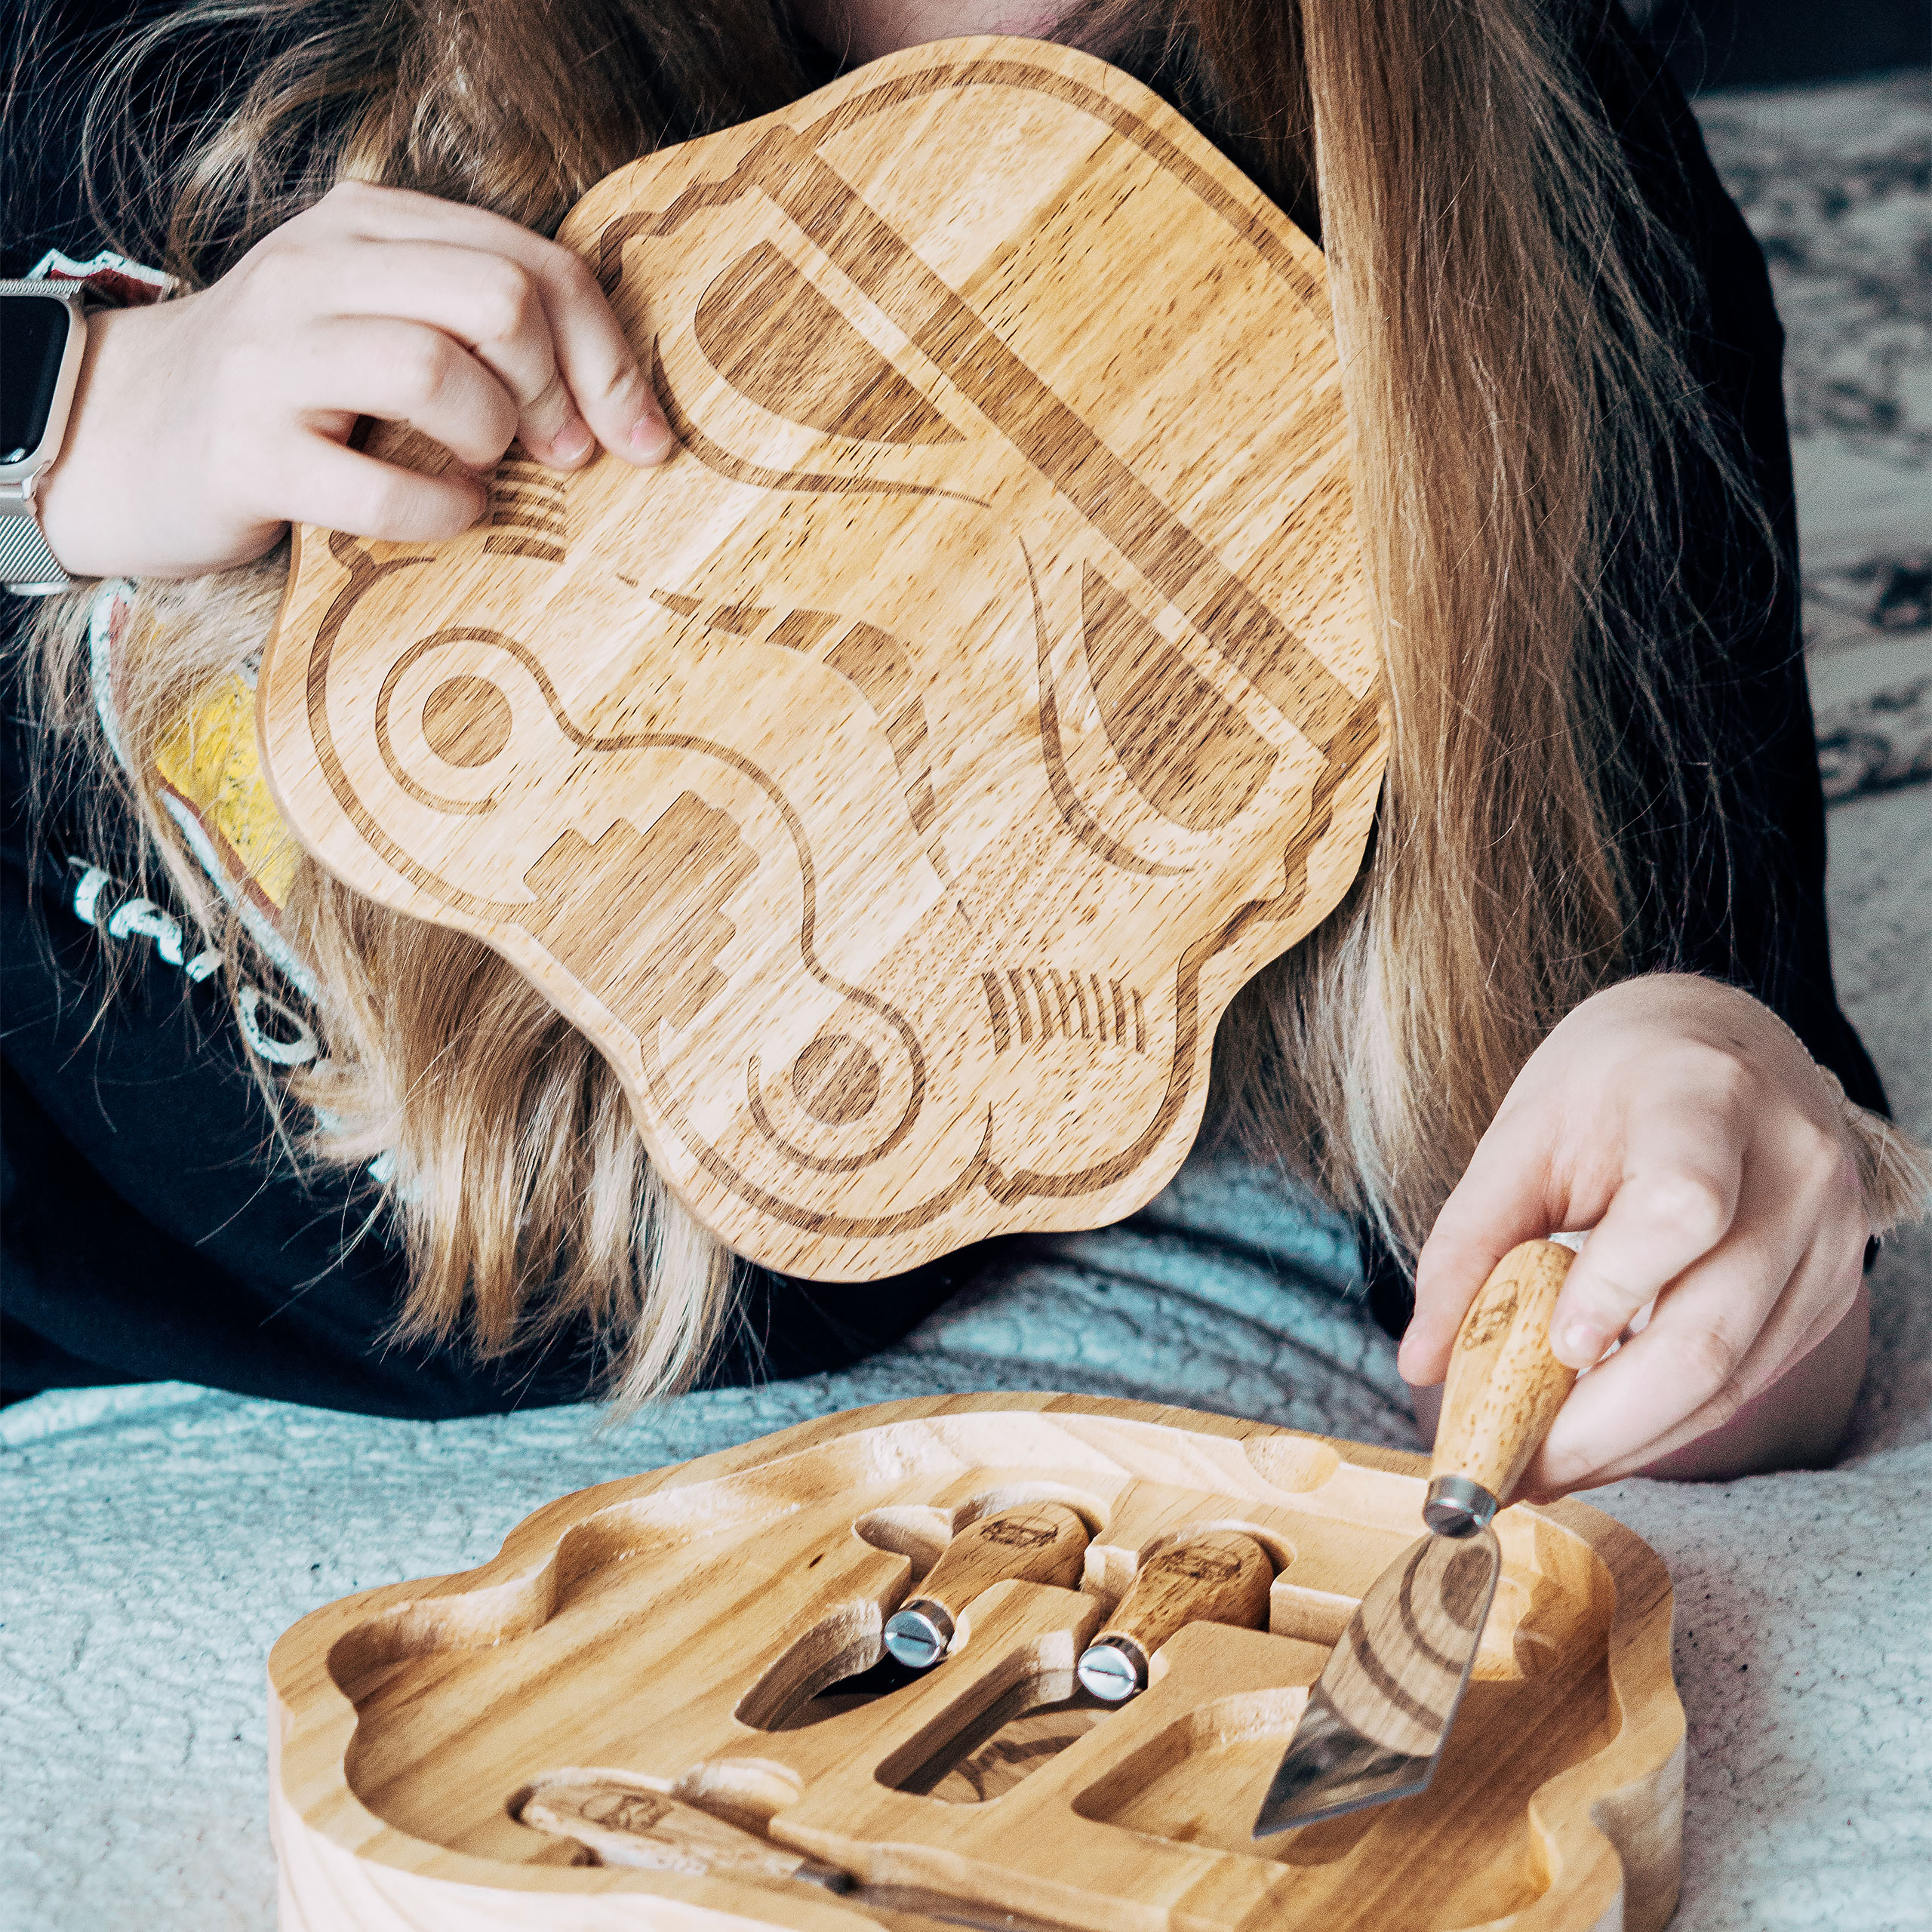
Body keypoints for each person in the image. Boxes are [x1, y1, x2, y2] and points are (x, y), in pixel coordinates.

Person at [3, 0, 1924, 1486]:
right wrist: (71, 430)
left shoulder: (1544, 226)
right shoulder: (190, 49)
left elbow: (1690, 1235)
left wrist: (1715, 1181)